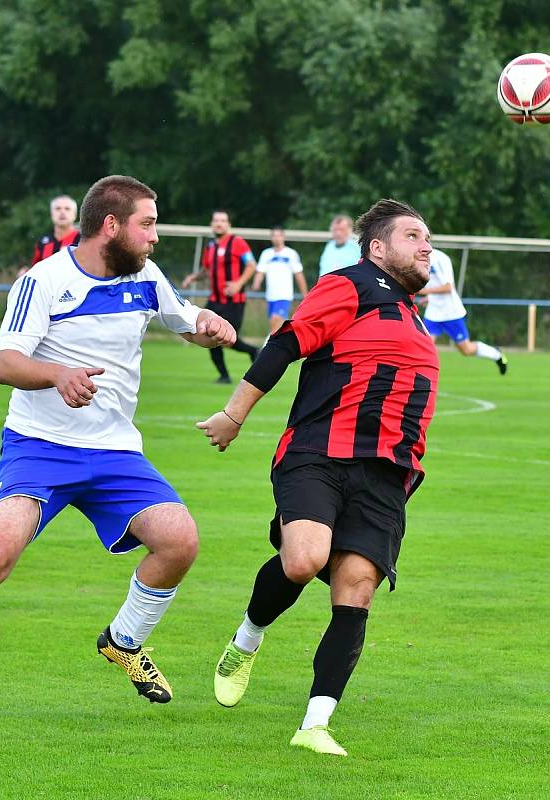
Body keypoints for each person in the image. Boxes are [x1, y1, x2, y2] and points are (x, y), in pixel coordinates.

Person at [0, 175, 236, 723]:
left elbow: (187, 325)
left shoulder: (147, 278)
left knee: (179, 542)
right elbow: (5, 363)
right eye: (148, 224)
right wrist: (57, 375)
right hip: (40, 448)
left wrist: (208, 324)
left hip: (114, 453)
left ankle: (124, 642)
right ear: (111, 226)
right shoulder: (45, 281)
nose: (155, 237)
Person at [196, 199, 440, 757]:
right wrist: (233, 415)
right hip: (319, 454)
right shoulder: (348, 284)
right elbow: (284, 344)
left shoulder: (412, 313)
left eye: (429, 238)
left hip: (387, 474)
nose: (428, 247)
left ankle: (315, 724)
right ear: (378, 247)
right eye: (414, 236)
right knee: (304, 560)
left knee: (354, 589)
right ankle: (246, 639)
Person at [181, 210, 260, 383]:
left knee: (229, 338)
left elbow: (252, 265)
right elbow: (206, 270)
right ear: (212, 223)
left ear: (229, 224)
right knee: (208, 334)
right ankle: (224, 376)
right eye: (216, 220)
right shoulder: (210, 246)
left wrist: (239, 283)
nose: (219, 223)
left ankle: (254, 351)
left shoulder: (237, 242)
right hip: (214, 300)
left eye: (223, 221)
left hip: (234, 301)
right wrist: (193, 277)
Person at [417, 248, 507, 374]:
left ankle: (496, 354)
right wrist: (429, 297)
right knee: (425, 346)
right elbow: (433, 284)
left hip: (451, 312)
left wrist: (424, 292)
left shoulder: (441, 258)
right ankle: (423, 379)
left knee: (467, 350)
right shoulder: (418, 258)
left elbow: (448, 287)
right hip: (433, 313)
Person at [251, 226, 308, 336]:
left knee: (275, 321)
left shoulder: (291, 254)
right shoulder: (266, 254)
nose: (277, 238)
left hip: (284, 296)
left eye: (279, 235)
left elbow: (298, 274)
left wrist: (305, 295)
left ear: (283, 237)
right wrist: (256, 283)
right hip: (271, 296)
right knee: (276, 325)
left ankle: (268, 348)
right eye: (274, 236)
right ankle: (280, 346)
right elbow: (260, 272)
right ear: (271, 238)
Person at [28, 194, 82, 268]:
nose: (62, 212)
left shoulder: (83, 240)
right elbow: (35, 271)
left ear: (75, 215)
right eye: (58, 209)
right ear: (51, 214)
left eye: (67, 209)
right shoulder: (43, 242)